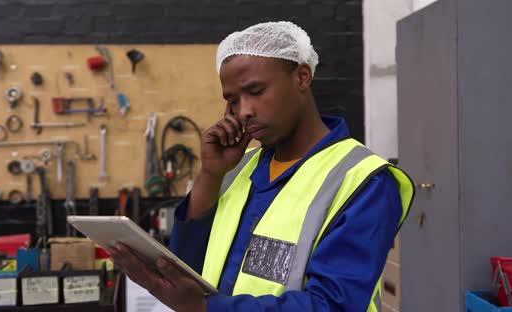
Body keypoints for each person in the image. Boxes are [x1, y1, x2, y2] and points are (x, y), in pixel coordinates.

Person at [108, 21, 415, 312]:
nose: (244, 111)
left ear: (302, 77)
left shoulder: (364, 181)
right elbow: (189, 266)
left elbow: (332, 305)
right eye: (232, 100)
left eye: (255, 92)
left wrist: (204, 308)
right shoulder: (237, 169)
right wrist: (210, 174)